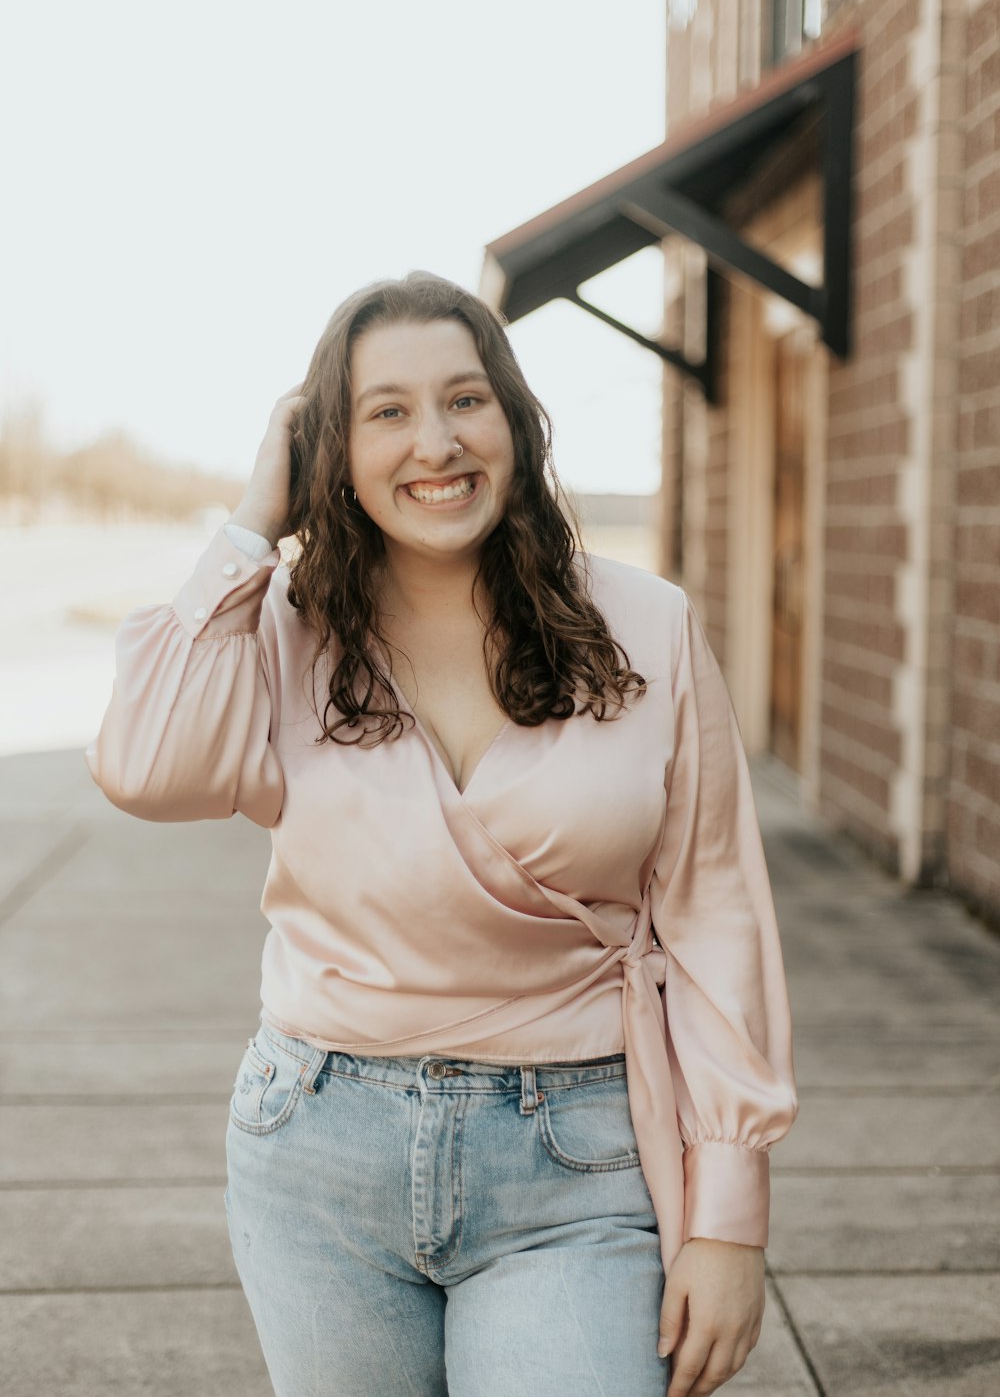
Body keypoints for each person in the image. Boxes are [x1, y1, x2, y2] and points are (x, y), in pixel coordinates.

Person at [86, 270, 799, 1397]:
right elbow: (145, 765)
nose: (436, 442)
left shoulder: (646, 623)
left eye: (465, 400)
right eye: (386, 412)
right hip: (316, 1148)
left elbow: (714, 916)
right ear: (332, 446)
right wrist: (249, 522)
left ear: (513, 419)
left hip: (576, 1154)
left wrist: (727, 1212)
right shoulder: (278, 630)